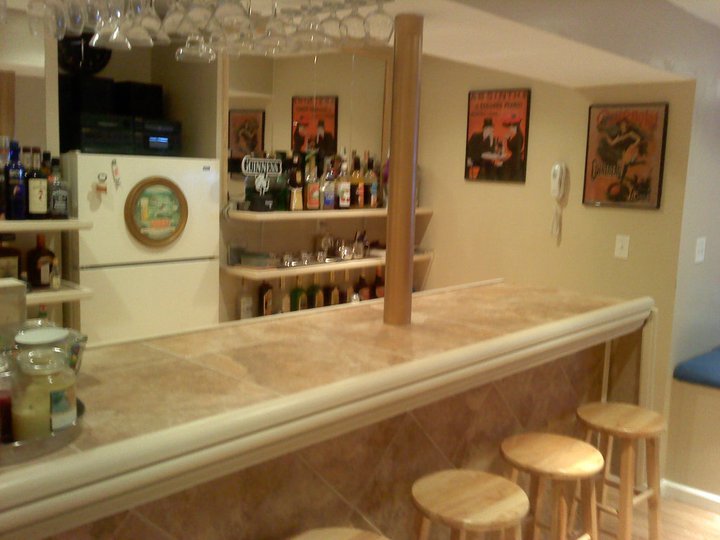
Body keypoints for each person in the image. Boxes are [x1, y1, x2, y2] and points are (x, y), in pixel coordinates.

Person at [500, 113, 525, 181]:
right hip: (514, 158)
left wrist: (507, 139)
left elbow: (511, 148)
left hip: (515, 160)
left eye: (510, 127)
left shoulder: (518, 136)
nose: (509, 128)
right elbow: (511, 148)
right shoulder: (517, 135)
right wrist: (508, 139)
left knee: (502, 165)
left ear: (515, 127)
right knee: (502, 164)